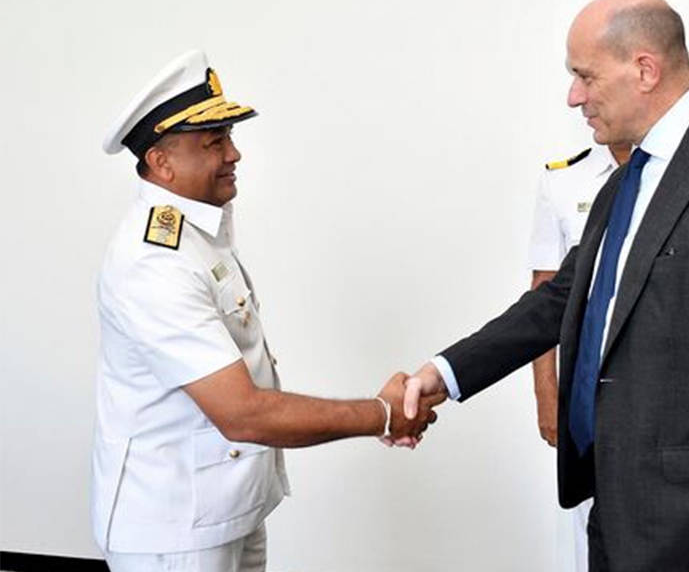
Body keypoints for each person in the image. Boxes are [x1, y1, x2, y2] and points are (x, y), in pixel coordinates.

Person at [403, 0, 689, 572]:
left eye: (585, 76)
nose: (574, 96)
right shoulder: (625, 179)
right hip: (617, 509)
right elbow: (563, 298)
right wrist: (445, 374)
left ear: (645, 70)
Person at [92, 50, 441, 572]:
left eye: (230, 138)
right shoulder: (153, 262)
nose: (234, 155)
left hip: (224, 505)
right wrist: (383, 413)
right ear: (162, 163)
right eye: (215, 142)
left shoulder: (197, 231)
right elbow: (242, 412)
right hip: (173, 529)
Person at [529, 143, 630, 572]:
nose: (577, 98)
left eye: (588, 78)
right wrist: (547, 396)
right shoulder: (562, 180)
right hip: (586, 403)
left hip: (660, 406)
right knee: (586, 544)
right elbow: (545, 297)